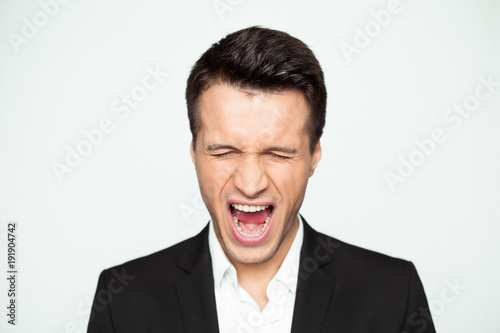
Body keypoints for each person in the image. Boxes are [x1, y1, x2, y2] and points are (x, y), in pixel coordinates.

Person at [87, 26, 436, 333]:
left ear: (314, 154)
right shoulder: (123, 300)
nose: (250, 184)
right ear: (194, 150)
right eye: (224, 151)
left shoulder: (393, 295)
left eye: (278, 153)